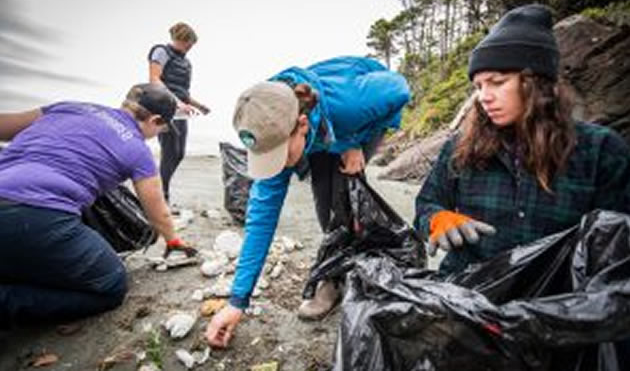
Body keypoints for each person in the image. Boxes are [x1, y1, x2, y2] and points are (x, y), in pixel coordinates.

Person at [206, 56, 410, 347]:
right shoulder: (267, 119)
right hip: (320, 128)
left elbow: (400, 89)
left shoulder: (352, 105)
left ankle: (353, 272)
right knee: (323, 198)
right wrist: (237, 301)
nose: (275, 167)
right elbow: (261, 219)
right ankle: (334, 273)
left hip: (356, 119)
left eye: (279, 155)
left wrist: (353, 140)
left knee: (342, 190)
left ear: (302, 125)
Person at [414, 3, 630, 276]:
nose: (484, 97)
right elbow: (426, 204)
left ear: (535, 82)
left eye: (497, 82)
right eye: (478, 86)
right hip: (466, 293)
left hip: (558, 303)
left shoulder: (601, 150)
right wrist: (436, 219)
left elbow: (616, 247)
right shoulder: (459, 147)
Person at [0, 83, 196, 328]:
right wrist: (173, 240)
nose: (158, 135)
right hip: (37, 215)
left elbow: (4, 126)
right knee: (110, 285)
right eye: (162, 129)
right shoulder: (137, 150)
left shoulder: (70, 107)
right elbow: (158, 214)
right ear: (155, 120)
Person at [148, 22, 210, 203]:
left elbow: (183, 92)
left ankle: (160, 188)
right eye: (189, 43)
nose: (190, 47)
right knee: (169, 151)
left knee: (179, 153)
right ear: (181, 39)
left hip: (180, 110)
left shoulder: (186, 62)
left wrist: (198, 105)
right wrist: (176, 103)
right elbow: (154, 79)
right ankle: (161, 195)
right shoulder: (161, 52)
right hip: (164, 107)